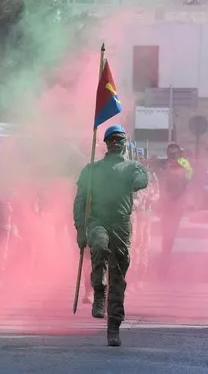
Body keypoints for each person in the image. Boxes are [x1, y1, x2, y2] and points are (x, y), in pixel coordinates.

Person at [73, 124, 149, 347]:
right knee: (98, 246)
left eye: (119, 139)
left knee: (119, 276)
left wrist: (137, 180)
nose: (115, 143)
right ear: (105, 143)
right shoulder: (91, 170)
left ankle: (114, 326)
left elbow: (143, 179)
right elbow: (80, 202)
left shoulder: (132, 167)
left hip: (121, 225)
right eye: (111, 139)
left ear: (125, 143)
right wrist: (80, 229)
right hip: (98, 221)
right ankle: (98, 291)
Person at [157, 142, 192, 272]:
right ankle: (165, 256)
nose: (172, 154)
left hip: (177, 203)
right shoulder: (163, 165)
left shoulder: (183, 164)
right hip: (167, 203)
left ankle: (166, 255)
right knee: (166, 233)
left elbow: (188, 178)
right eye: (170, 152)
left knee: (170, 233)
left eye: (174, 152)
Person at [131, 147, 159, 288]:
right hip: (133, 214)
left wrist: (151, 198)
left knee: (142, 246)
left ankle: (139, 277)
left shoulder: (150, 176)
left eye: (142, 159)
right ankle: (130, 276)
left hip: (145, 215)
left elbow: (156, 192)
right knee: (133, 246)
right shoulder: (128, 174)